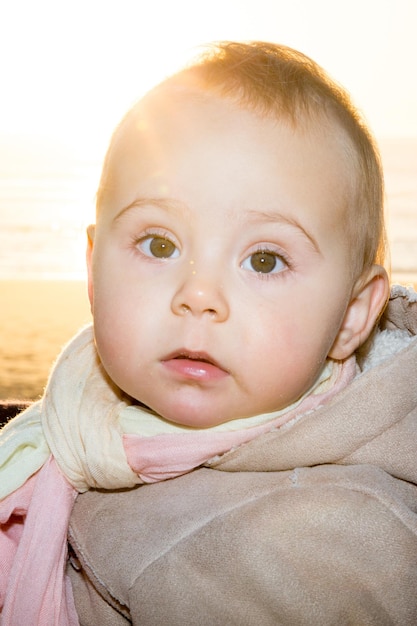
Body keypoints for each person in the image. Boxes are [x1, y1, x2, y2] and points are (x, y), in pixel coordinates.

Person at [1, 41, 417, 625]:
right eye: (160, 245)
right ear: (93, 271)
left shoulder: (322, 544)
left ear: (351, 317)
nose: (198, 295)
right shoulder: (77, 422)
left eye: (265, 261)